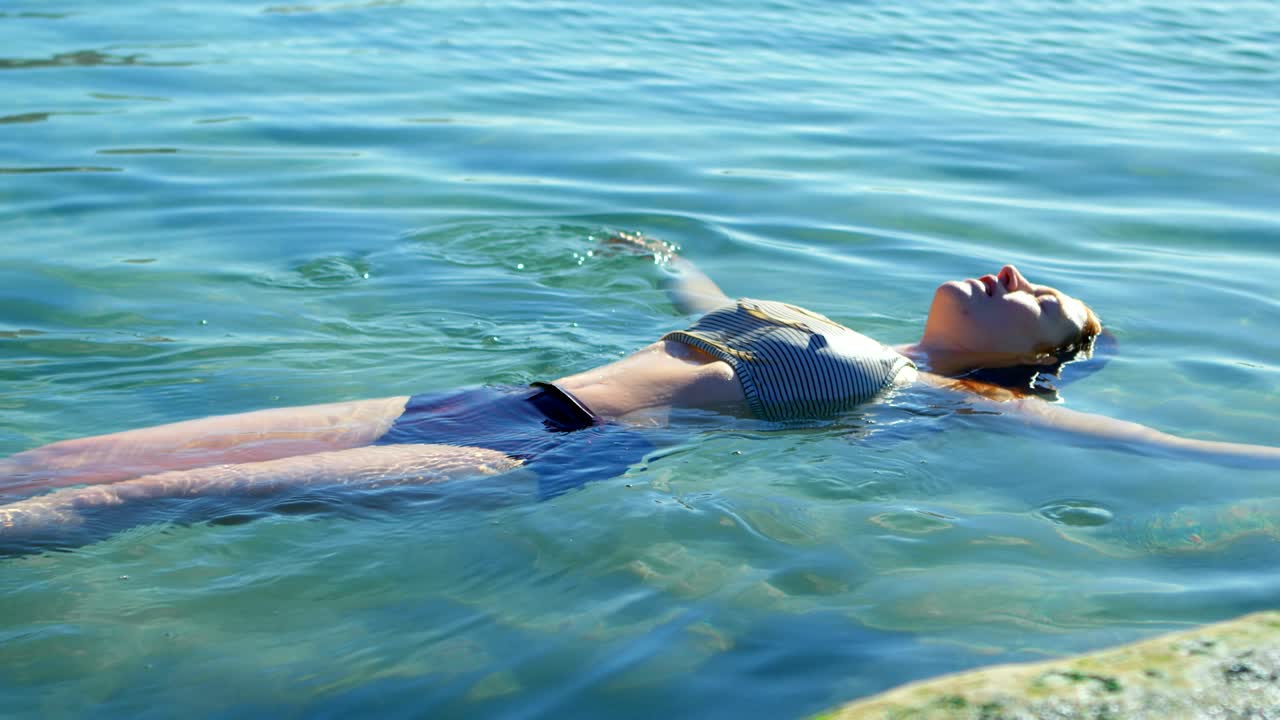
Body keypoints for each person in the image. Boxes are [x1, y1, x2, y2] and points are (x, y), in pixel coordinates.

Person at [1, 233, 1277, 547]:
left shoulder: (944, 394)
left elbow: (1148, 445)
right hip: (465, 398)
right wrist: (666, 256)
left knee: (82, 515)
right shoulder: (833, 323)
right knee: (56, 464)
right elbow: (701, 307)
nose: (1021, 277)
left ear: (1031, 359)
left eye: (1049, 300)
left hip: (532, 456)